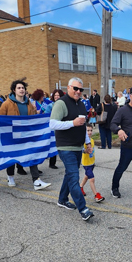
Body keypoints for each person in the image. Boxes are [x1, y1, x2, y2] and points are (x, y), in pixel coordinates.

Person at [50, 77, 94, 221]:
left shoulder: (81, 104)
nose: (78, 91)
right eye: (75, 88)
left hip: (77, 147)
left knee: (69, 175)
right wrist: (72, 123)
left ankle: (62, 199)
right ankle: (83, 208)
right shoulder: (61, 103)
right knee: (74, 177)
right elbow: (53, 124)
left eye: (80, 89)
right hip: (65, 146)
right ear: (68, 87)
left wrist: (87, 143)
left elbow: (82, 125)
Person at [0, 78, 51, 190]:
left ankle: (36, 181)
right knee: (12, 156)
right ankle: (10, 176)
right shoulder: (7, 103)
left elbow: (33, 118)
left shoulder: (29, 104)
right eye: (19, 88)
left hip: (27, 135)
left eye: (23, 88)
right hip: (13, 136)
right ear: (14, 90)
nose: (21, 90)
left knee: (32, 154)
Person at [80, 124, 105, 202]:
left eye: (91, 130)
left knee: (86, 176)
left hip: (92, 162)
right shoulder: (83, 141)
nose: (90, 132)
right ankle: (96, 195)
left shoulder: (92, 140)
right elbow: (82, 150)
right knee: (92, 179)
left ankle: (80, 187)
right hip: (86, 163)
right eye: (88, 130)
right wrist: (85, 151)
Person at [47, 89, 64, 169]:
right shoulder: (50, 106)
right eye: (55, 95)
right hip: (52, 129)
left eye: (58, 95)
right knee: (53, 146)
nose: (56, 97)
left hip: (61, 128)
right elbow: (45, 116)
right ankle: (51, 163)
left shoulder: (63, 105)